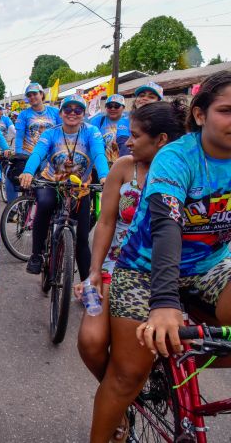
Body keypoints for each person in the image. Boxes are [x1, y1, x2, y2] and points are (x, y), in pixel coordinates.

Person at [89, 71, 231, 443]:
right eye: (227, 111)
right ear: (200, 116)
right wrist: (164, 301)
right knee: (126, 376)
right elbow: (166, 225)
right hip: (143, 271)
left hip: (210, 266)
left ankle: (180, 361)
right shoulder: (175, 158)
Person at [75, 99, 186, 441]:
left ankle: (119, 398)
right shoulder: (124, 167)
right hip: (112, 268)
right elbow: (106, 221)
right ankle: (121, 400)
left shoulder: (182, 172)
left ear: (162, 140)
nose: (127, 141)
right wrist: (94, 269)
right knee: (90, 342)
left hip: (162, 275)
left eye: (135, 135)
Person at [19, 95, 109, 280]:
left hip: (80, 189)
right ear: (60, 113)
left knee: (82, 240)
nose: (72, 113)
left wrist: (104, 176)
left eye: (78, 110)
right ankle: (36, 255)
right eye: (68, 109)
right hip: (52, 182)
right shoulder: (51, 133)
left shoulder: (92, 132)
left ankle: (87, 287)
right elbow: (37, 154)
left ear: (84, 114)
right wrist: (28, 172)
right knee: (44, 204)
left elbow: (99, 154)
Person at [9, 83, 62, 202]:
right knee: (11, 175)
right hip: (29, 154)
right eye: (29, 95)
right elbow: (19, 137)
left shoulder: (55, 112)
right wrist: (18, 156)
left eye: (35, 94)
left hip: (49, 157)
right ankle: (13, 207)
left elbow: (61, 134)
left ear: (41, 94)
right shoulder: (24, 114)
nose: (32, 97)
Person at [89, 94, 130, 165]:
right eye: (109, 106)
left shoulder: (129, 121)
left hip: (121, 164)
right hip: (101, 164)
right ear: (105, 107)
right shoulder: (97, 121)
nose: (112, 109)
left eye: (116, 106)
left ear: (123, 108)